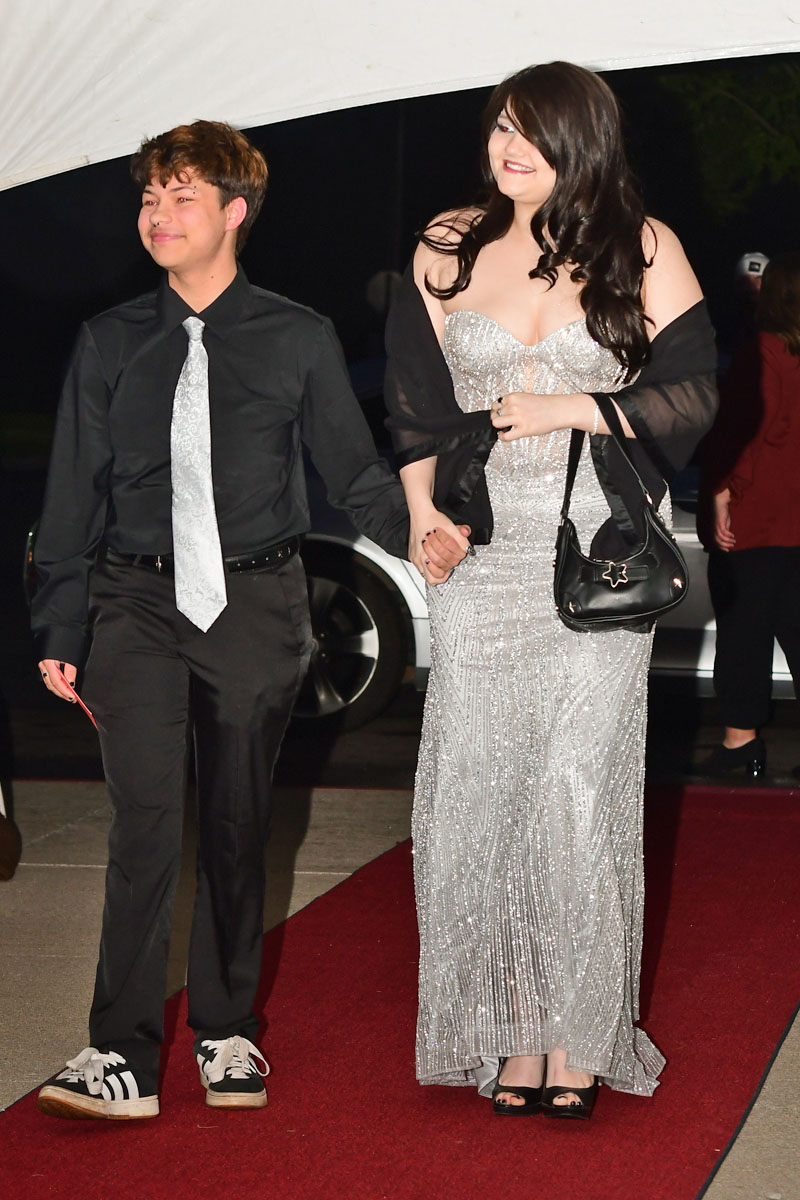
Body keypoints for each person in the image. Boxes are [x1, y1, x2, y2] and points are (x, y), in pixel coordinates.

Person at [31, 119, 466, 1121]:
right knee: (143, 822)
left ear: (235, 211)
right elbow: (70, 494)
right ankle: (120, 1053)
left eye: (181, 197)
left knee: (236, 822)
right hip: (133, 603)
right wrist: (61, 628)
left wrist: (419, 532)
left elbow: (352, 472)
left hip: (257, 603)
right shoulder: (107, 342)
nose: (157, 215)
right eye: (148, 198)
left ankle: (225, 1030)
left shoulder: (296, 336)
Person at [385, 61, 717, 1119]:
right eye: (498, 127)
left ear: (583, 136)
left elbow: (696, 395)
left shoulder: (643, 244)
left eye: (532, 130)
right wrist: (421, 517)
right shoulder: (447, 243)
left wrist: (578, 407)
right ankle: (506, 1032)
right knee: (477, 798)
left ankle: (578, 1035)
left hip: (594, 557)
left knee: (576, 796)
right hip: (482, 561)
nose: (508, 146)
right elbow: (414, 404)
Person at [699, 251, 800, 777]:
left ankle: (741, 744)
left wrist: (720, 489)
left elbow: (742, 432)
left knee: (744, 632)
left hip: (757, 517)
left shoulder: (761, 353)